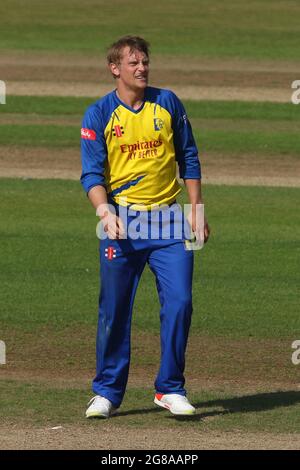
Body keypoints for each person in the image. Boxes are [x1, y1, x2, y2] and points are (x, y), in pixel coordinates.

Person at [80, 35, 210, 418]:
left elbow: (189, 156)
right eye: (133, 63)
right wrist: (106, 213)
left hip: (169, 219)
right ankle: (106, 392)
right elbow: (91, 174)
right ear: (115, 68)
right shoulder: (99, 113)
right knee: (115, 309)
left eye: (145, 62)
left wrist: (196, 209)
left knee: (181, 302)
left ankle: (170, 388)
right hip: (121, 220)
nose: (142, 68)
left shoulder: (167, 102)